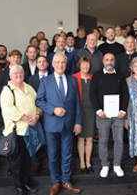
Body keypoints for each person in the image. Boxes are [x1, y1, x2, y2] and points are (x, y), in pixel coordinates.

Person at [35, 53, 82, 195]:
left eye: (63, 62)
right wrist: (53, 109)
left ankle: (66, 180)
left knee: (67, 155)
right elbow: (38, 101)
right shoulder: (45, 81)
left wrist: (78, 122)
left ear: (66, 64)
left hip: (68, 125)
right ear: (53, 63)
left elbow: (77, 103)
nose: (60, 65)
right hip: (51, 125)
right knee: (53, 155)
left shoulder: (73, 80)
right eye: (58, 62)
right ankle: (55, 181)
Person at [0, 65, 40, 195]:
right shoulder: (7, 90)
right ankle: (18, 187)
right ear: (10, 76)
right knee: (17, 161)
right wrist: (26, 117)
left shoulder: (28, 87)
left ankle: (26, 182)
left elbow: (38, 102)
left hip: (30, 130)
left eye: (21, 73)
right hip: (17, 131)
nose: (19, 75)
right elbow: (8, 110)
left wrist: (37, 115)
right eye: (16, 73)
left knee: (28, 159)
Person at [90, 53, 129, 178]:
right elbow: (92, 94)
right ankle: (105, 165)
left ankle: (117, 165)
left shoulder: (120, 76)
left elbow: (125, 94)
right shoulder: (97, 75)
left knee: (118, 140)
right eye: (107, 59)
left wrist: (123, 110)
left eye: (112, 59)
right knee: (103, 141)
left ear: (115, 61)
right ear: (103, 61)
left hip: (118, 115)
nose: (109, 62)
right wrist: (98, 110)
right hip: (103, 115)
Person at [73, 57, 95, 174]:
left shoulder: (93, 78)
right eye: (83, 64)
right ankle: (82, 163)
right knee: (81, 138)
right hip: (79, 111)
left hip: (91, 111)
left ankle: (88, 162)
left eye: (87, 64)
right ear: (79, 66)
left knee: (90, 138)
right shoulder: (73, 78)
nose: (85, 67)